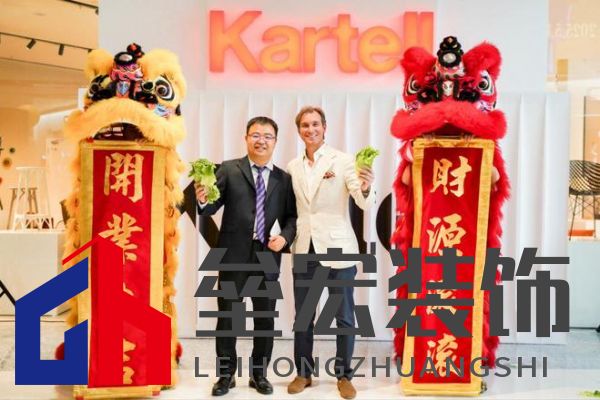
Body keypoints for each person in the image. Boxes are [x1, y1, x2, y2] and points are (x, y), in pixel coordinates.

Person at [195, 116, 297, 396]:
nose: (261, 140)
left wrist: (285, 237)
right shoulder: (229, 169)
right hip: (233, 255)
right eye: (256, 135)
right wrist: (202, 199)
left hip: (267, 256)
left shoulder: (283, 179)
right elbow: (210, 207)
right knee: (228, 317)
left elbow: (291, 217)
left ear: (275, 141)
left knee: (264, 319)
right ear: (246, 138)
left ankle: (259, 374)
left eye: (267, 136)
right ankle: (225, 376)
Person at [285, 106, 375, 400]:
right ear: (299, 131)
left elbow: (363, 202)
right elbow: (291, 210)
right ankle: (303, 373)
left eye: (315, 124)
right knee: (303, 318)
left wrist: (365, 186)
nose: (310, 130)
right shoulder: (292, 167)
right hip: (304, 248)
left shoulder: (343, 160)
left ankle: (344, 376)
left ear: (325, 127)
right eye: (305, 125)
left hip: (339, 248)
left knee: (344, 317)